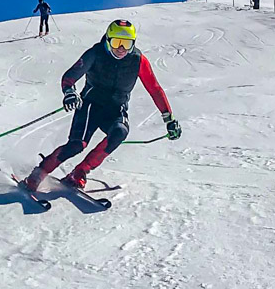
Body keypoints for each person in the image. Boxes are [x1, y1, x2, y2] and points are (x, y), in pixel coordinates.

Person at [20, 19, 180, 191]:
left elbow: (154, 89)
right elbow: (70, 76)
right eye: (117, 42)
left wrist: (168, 118)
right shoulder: (96, 53)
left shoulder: (138, 60)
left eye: (127, 44)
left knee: (120, 132)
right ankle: (39, 173)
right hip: (89, 105)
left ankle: (80, 172)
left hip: (116, 108)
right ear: (108, 39)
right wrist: (69, 92)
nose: (121, 49)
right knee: (76, 145)